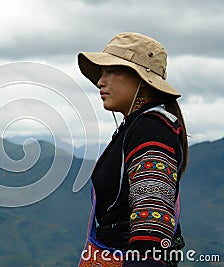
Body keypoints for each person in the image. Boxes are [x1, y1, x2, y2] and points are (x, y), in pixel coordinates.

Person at [77, 32, 188, 266]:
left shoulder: (151, 130)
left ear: (140, 79)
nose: (100, 82)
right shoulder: (137, 128)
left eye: (111, 71)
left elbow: (152, 217)